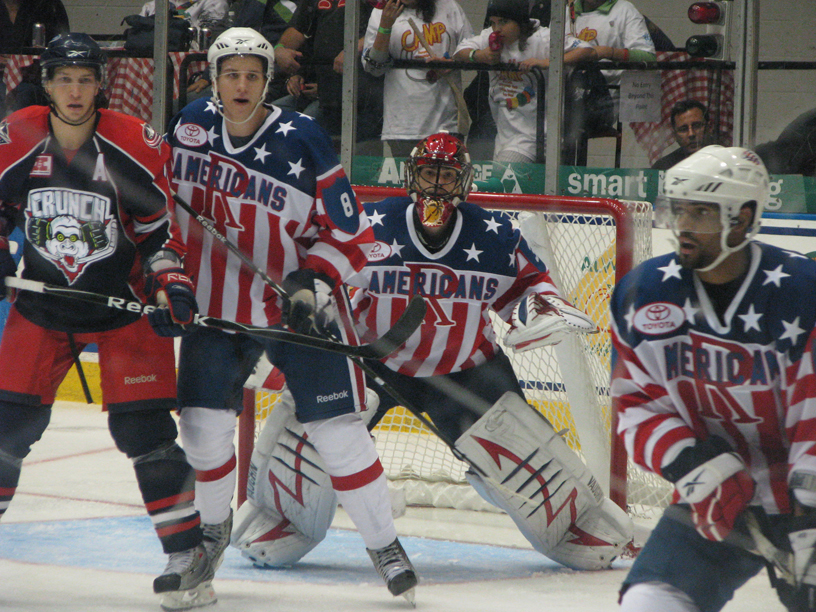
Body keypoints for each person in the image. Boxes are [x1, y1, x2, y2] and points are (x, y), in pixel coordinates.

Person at [231, 132, 635, 575]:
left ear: (463, 181)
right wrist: (306, 316)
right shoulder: (371, 226)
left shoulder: (496, 234)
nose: (436, 185)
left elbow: (529, 288)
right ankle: (282, 516)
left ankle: (575, 523)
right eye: (428, 173)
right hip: (374, 363)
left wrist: (540, 310)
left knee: (520, 453)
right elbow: (327, 282)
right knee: (315, 421)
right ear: (411, 175)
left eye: (446, 175)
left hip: (463, 370)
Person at [165, 27, 418, 601]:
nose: (242, 84)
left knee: (340, 433)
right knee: (202, 432)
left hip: (297, 309)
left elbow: (353, 234)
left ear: (267, 81)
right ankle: (209, 537)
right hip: (216, 309)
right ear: (214, 77)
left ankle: (384, 544)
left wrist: (312, 278)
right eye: (231, 74)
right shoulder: (190, 127)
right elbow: (161, 207)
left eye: (253, 75)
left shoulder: (302, 136)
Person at [0, 33, 214, 610]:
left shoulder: (130, 142)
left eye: (85, 78)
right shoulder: (17, 135)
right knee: (4, 430)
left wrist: (172, 285)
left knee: (146, 436)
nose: (75, 90)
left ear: (101, 83)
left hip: (120, 306)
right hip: (42, 308)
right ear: (46, 84)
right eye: (63, 79)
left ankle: (188, 559)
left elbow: (157, 234)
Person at [611, 145, 816, 612]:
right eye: (678, 209)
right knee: (647, 601)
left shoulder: (803, 295)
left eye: (700, 212)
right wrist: (690, 463)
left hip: (806, 497)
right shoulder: (645, 293)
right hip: (716, 496)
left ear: (741, 219)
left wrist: (809, 516)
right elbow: (637, 402)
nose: (683, 225)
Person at [453, 0, 595, 163]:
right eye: (493, 23)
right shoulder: (489, 38)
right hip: (506, 135)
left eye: (504, 22)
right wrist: (479, 55)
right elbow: (459, 52)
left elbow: (587, 50)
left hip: (541, 135)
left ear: (519, 21)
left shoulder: (543, 38)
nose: (497, 29)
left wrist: (549, 62)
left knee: (504, 176)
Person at [362, 0, 473, 157]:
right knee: (410, 179)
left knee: (445, 179)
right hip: (404, 126)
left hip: (447, 122)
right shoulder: (382, 12)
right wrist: (385, 26)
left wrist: (451, 64)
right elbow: (373, 68)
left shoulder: (450, 7)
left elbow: (471, 52)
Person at [274, 0, 384, 144]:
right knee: (267, 116)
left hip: (360, 95)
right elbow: (298, 29)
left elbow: (388, 23)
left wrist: (353, 48)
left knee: (299, 130)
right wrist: (280, 50)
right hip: (321, 92)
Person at [568, 0, 656, 119]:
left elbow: (648, 57)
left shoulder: (624, 9)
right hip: (564, 95)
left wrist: (607, 52)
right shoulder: (566, 13)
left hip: (604, 102)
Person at [652, 100, 712, 171]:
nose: (691, 134)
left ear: (709, 127)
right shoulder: (664, 167)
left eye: (697, 126)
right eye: (683, 129)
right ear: (675, 135)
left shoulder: (724, 159)